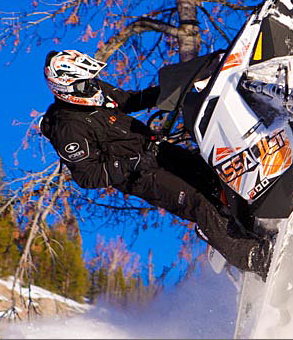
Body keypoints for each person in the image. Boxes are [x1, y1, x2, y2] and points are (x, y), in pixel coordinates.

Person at [38, 49, 272, 279]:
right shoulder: (66, 127)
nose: (92, 86)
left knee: (214, 175)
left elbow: (129, 100)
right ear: (64, 89)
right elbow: (87, 176)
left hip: (156, 150)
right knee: (198, 202)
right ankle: (254, 257)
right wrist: (133, 163)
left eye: (90, 80)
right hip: (140, 175)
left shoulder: (94, 90)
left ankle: (254, 224)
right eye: (84, 84)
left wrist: (175, 89)